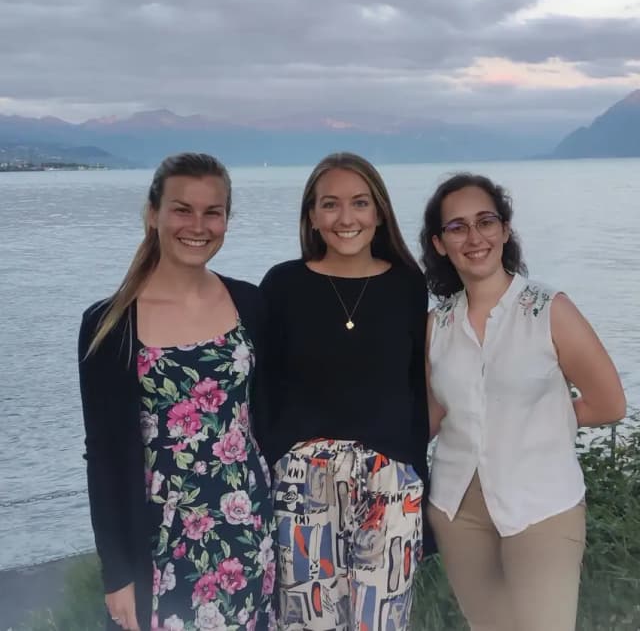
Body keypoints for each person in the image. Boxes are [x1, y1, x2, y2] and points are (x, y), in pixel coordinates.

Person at [78, 153, 276, 631]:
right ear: (153, 214)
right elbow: (103, 456)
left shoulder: (250, 303)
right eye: (182, 209)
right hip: (160, 548)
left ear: (227, 219)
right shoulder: (108, 326)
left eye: (213, 212)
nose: (198, 225)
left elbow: (271, 414)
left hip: (248, 533)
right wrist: (117, 574)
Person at [420, 173, 627, 631]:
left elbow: (609, 403)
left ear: (505, 229)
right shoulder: (438, 325)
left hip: (543, 503)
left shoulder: (549, 309)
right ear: (439, 243)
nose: (474, 237)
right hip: (458, 508)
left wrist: (542, 421)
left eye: (486, 221)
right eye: (457, 227)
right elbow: (432, 417)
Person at [259, 152, 431, 631]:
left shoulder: (409, 286)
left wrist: (412, 466)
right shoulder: (282, 285)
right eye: (330, 204)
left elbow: (422, 386)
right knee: (307, 623)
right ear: (312, 216)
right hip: (302, 481)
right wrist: (281, 457)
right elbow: (261, 387)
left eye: (359, 203)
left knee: (382, 622)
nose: (346, 218)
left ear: (379, 212)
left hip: (391, 484)